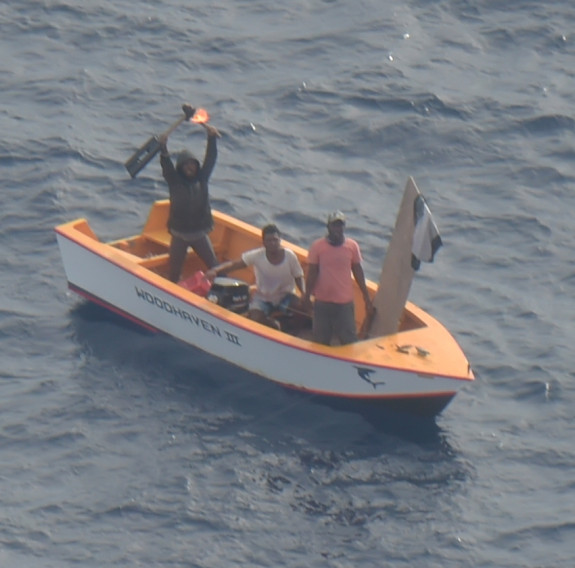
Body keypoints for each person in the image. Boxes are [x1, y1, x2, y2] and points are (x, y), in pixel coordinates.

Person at [158, 104, 221, 282]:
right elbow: (166, 164)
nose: (190, 168)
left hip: (199, 232)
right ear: (181, 167)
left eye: (193, 165)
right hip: (179, 233)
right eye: (187, 165)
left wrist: (212, 139)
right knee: (174, 271)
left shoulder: (202, 178)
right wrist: (163, 148)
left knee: (214, 266)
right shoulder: (174, 180)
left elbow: (210, 158)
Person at [206, 224, 305, 330]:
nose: (272, 243)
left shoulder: (290, 256)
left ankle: (292, 329)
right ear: (264, 242)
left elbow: (299, 276)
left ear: (280, 240)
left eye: (275, 240)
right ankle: (273, 325)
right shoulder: (257, 255)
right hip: (263, 298)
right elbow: (235, 264)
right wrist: (216, 270)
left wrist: (304, 294)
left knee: (302, 309)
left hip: (286, 296)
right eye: (269, 240)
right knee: (255, 318)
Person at [303, 211, 373, 345]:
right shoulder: (317, 246)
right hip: (322, 302)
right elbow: (312, 273)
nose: (338, 229)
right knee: (320, 340)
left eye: (340, 225)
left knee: (349, 339)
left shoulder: (352, 246)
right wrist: (306, 296)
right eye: (335, 225)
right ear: (328, 227)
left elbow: (358, 271)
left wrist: (366, 296)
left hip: (344, 303)